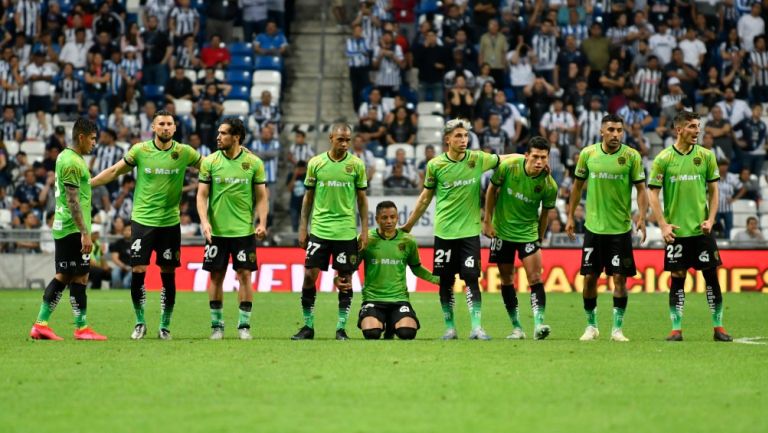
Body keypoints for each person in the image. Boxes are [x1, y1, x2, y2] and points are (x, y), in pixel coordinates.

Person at [401, 118, 517, 340]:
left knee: (471, 279)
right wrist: (409, 225)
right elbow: (425, 198)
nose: (463, 140)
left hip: (469, 233)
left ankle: (476, 327)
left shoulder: (476, 159)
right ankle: (450, 328)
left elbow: (504, 158)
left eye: (465, 136)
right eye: (458, 136)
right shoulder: (435, 165)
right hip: (444, 232)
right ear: (447, 140)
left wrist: (528, 158)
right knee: (446, 282)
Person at [91, 110, 202, 340]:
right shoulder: (140, 150)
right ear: (153, 127)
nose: (165, 127)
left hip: (170, 223)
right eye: (160, 123)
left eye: (169, 124)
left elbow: (211, 165)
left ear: (174, 128)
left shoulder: (184, 152)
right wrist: (88, 183)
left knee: (168, 273)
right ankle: (140, 322)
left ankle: (165, 325)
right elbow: (114, 170)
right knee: (138, 270)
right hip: (142, 221)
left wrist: (239, 155)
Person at [648, 111, 733, 342]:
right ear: (679, 130)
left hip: (701, 230)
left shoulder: (706, 156)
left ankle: (719, 328)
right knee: (677, 277)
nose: (698, 131)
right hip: (676, 232)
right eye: (693, 127)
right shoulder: (663, 158)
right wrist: (663, 225)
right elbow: (652, 194)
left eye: (698, 126)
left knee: (711, 277)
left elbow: (715, 191)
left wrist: (711, 219)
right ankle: (676, 329)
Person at [566, 114, 648, 342]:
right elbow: (576, 187)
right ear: (602, 131)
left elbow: (641, 189)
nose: (615, 134)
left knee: (620, 279)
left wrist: (642, 216)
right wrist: (570, 216)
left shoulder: (632, 156)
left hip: (620, 230)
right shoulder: (588, 154)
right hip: (593, 229)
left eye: (619, 130)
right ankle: (591, 326)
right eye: (611, 130)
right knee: (590, 278)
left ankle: (617, 329)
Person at [29, 118, 106, 340]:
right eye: (92, 139)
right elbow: (73, 201)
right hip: (73, 229)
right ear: (80, 137)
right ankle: (53, 325)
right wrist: (85, 233)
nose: (94, 143)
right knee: (70, 276)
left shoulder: (66, 156)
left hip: (67, 227)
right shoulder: (72, 163)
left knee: (75, 276)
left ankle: (68, 326)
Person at [292, 124, 369, 341]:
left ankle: (341, 328)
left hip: (345, 232)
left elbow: (362, 200)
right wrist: (302, 227)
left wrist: (364, 230)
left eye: (348, 140)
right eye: (340, 140)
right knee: (309, 276)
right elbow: (307, 198)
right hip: (319, 230)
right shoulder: (316, 163)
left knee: (345, 280)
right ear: (330, 138)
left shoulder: (356, 165)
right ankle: (308, 326)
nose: (345, 144)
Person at [197, 118, 268, 340]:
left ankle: (244, 326)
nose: (218, 136)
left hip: (243, 232)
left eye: (224, 133)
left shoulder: (254, 163)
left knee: (244, 275)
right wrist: (204, 221)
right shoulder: (209, 162)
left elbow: (262, 197)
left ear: (236, 136)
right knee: (216, 277)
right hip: (216, 233)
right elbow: (201, 195)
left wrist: (262, 222)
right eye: (218, 132)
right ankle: (217, 326)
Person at [483, 136, 557, 340]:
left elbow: (544, 215)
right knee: (507, 279)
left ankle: (539, 324)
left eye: (543, 157)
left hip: (528, 234)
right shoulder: (508, 167)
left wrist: (539, 239)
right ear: (526, 156)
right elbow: (491, 191)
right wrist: (487, 221)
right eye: (535, 156)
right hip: (502, 232)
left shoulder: (549, 185)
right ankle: (516, 327)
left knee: (535, 278)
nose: (539, 161)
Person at [336, 201, 439, 340]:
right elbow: (351, 266)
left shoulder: (408, 241)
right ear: (377, 219)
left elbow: (416, 268)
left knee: (407, 333)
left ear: (398, 218)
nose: (389, 221)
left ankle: (392, 323)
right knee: (372, 334)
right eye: (384, 218)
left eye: (393, 217)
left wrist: (437, 279)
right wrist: (337, 278)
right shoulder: (366, 239)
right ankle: (382, 321)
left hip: (399, 299)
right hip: (373, 299)